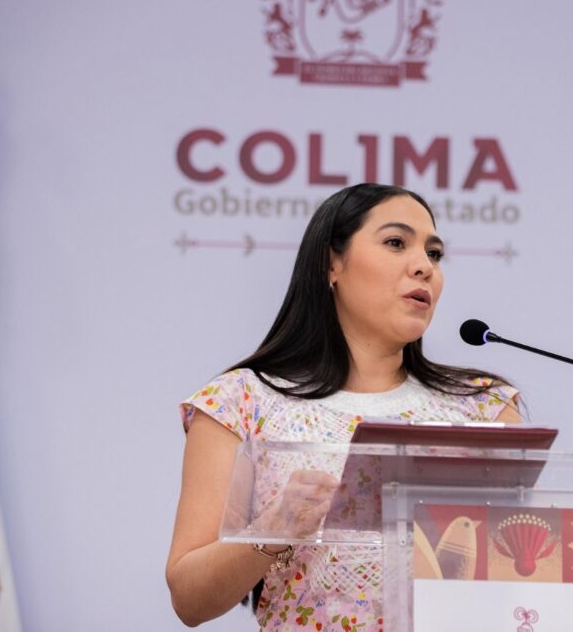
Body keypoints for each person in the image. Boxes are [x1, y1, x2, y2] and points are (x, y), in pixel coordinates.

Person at [165, 184, 522, 629]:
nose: (424, 267)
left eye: (434, 254)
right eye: (396, 243)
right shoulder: (240, 401)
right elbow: (189, 599)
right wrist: (276, 526)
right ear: (330, 264)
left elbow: (529, 574)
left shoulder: (484, 407)